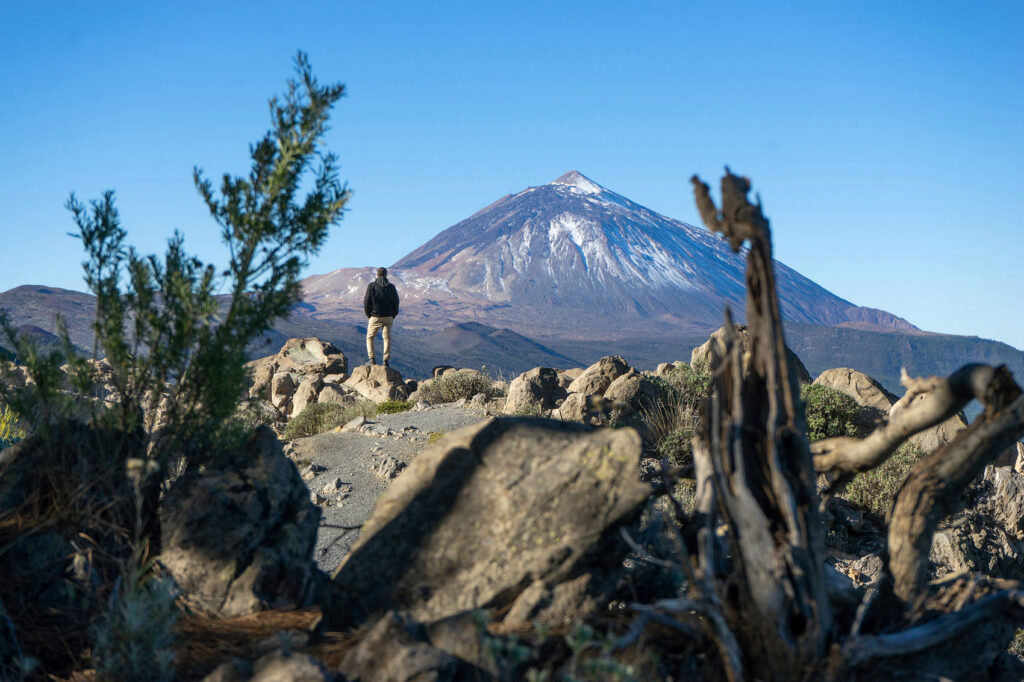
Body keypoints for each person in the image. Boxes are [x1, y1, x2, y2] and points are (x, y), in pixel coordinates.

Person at [363, 267, 400, 367]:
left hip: (375, 316)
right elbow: (396, 302)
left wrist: (369, 315)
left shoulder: (372, 286)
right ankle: (386, 361)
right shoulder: (391, 287)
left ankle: (372, 359)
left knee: (370, 338)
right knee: (387, 338)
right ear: (386, 275)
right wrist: (393, 315)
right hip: (388, 316)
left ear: (377, 275)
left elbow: (367, 302)